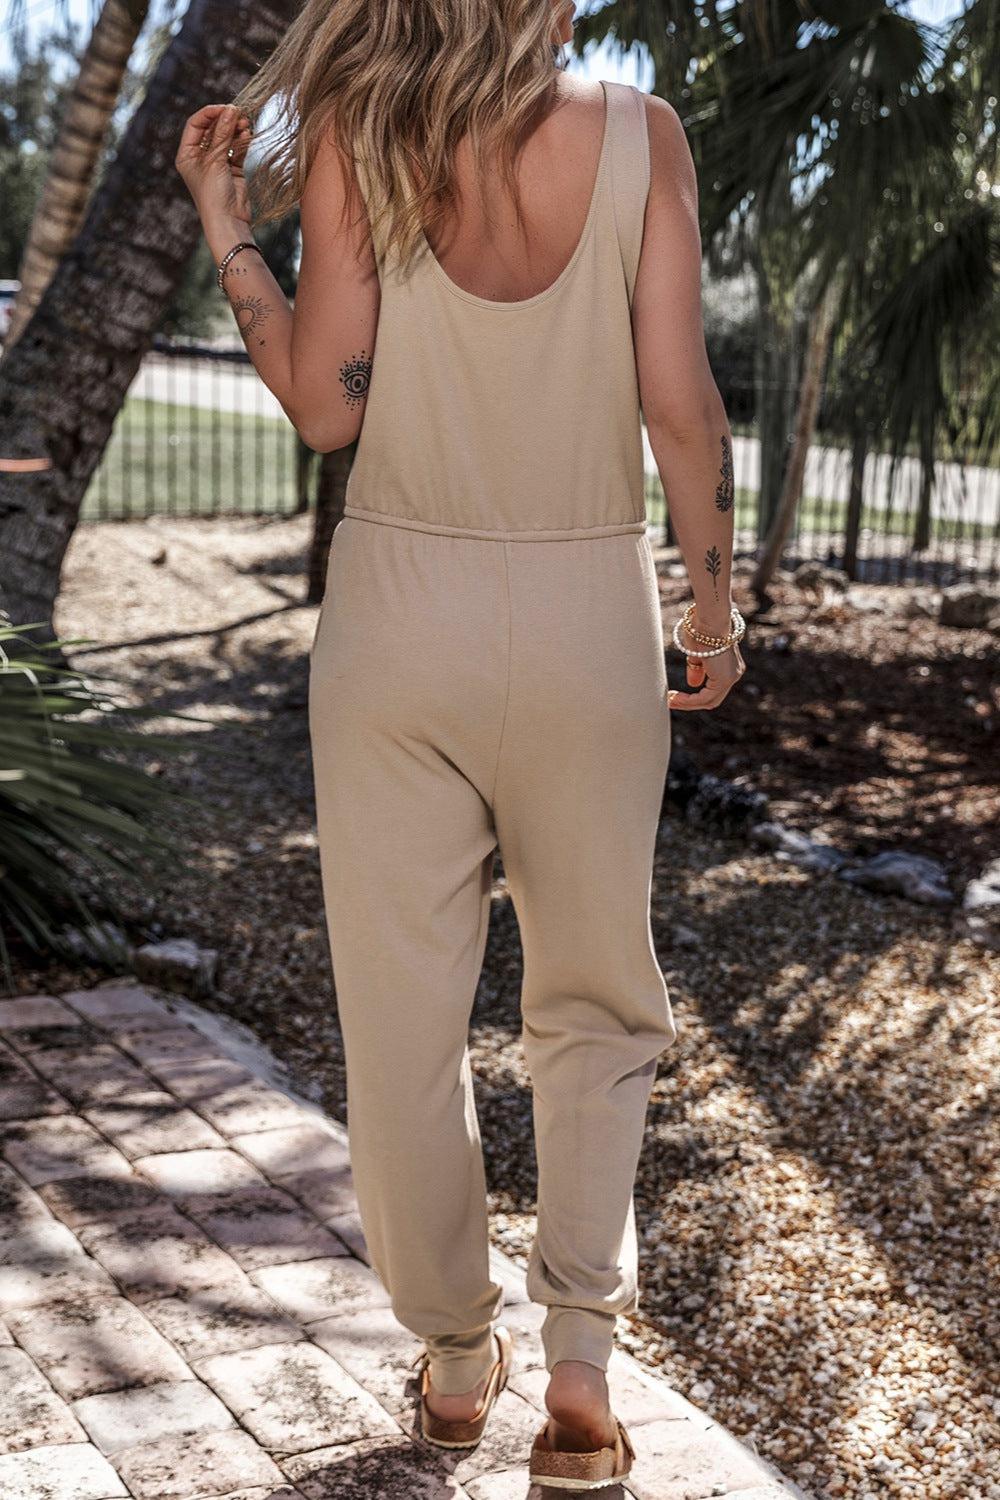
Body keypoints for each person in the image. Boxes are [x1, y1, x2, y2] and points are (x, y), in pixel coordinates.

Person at [176, 0, 745, 1487]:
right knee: (596, 1005)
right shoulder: (642, 140)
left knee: (403, 1026)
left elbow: (319, 405)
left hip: (398, 627)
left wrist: (227, 223)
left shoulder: (362, 132)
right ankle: (578, 1375)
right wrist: (715, 604)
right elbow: (682, 409)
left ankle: (449, 1352)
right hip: (586, 622)